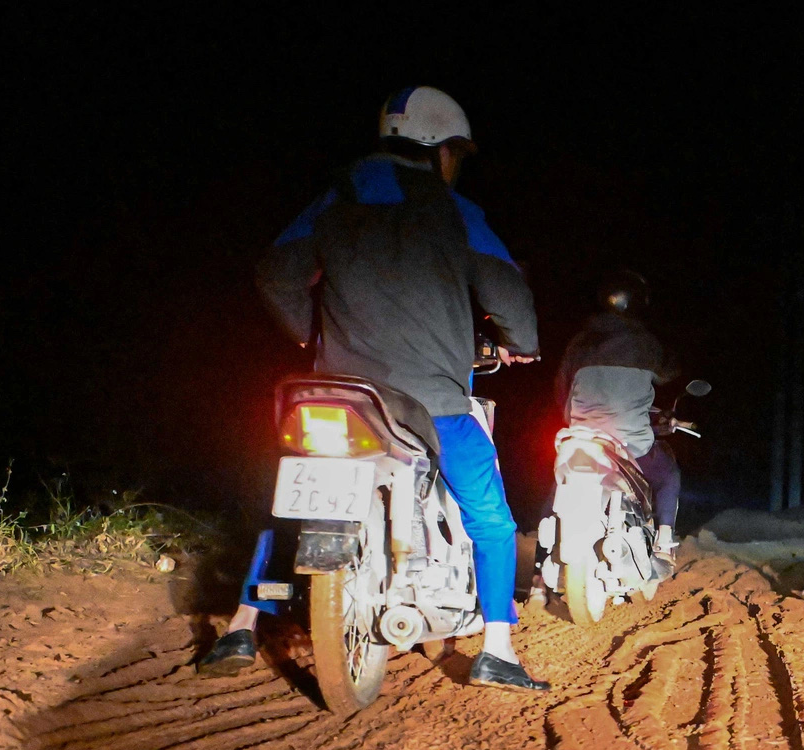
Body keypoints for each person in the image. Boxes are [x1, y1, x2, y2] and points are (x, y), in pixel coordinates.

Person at [199, 86, 547, 691]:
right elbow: (508, 292)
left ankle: (241, 623)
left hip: (334, 392)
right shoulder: (453, 209)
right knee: (490, 517)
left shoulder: (336, 195)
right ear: (439, 149)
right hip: (430, 400)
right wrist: (522, 340)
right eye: (455, 155)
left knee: (285, 503)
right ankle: (498, 647)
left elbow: (276, 272)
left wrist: (312, 336)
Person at [556, 271, 681, 556]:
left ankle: (540, 569)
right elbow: (671, 372)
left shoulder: (579, 343)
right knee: (669, 473)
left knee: (557, 485)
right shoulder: (647, 344)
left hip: (580, 440)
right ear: (638, 303)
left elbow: (562, 392)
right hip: (631, 446)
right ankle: (664, 540)